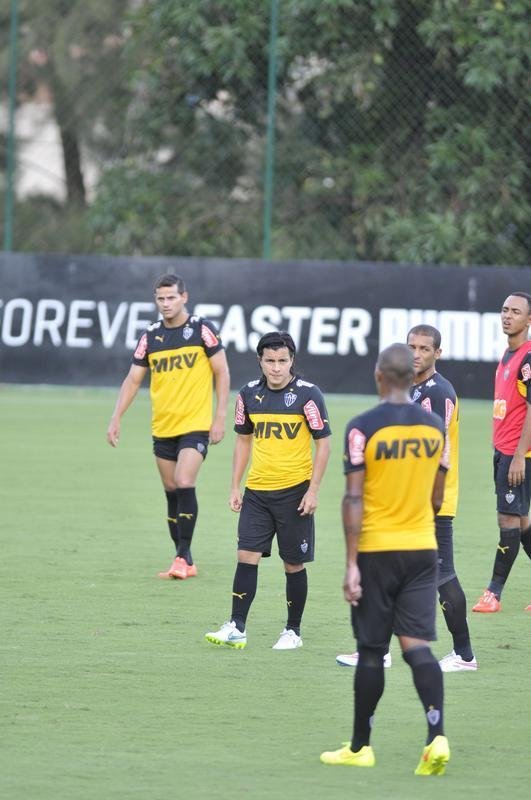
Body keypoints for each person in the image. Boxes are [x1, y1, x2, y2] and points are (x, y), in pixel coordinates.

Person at [321, 343, 450, 775]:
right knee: (418, 647)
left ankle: (361, 747)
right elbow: (436, 496)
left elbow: (353, 496)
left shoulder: (362, 427)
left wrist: (352, 563)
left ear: (378, 376)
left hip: (377, 550)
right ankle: (436, 737)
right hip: (422, 548)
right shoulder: (436, 429)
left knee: (372, 651)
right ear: (412, 378)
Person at [336, 325, 477, 672]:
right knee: (388, 570)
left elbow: (436, 447)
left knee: (444, 575)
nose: (417, 353)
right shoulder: (411, 390)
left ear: (437, 354)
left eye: (425, 348)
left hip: (431, 500)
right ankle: (379, 650)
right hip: (406, 499)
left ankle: (464, 654)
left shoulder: (439, 392)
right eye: (411, 346)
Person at [205, 331, 331, 650]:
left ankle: (293, 631)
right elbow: (243, 440)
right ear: (260, 361)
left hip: (295, 493)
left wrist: (313, 490)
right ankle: (237, 626)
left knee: (293, 564)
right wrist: (235, 485)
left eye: (282, 361)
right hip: (257, 493)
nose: (276, 368)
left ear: (292, 361)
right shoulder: (248, 395)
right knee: (246, 556)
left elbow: (324, 443)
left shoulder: (308, 395)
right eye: (270, 361)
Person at [106, 273, 230, 579]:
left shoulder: (201, 329)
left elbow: (222, 373)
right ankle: (185, 559)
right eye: (160, 298)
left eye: (171, 297)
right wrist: (116, 416)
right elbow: (134, 379)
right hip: (163, 427)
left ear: (184, 297)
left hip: (195, 425)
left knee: (184, 480)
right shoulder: (150, 336)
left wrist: (220, 416)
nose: (166, 303)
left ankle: (181, 556)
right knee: (172, 492)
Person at [472, 292, 531, 612]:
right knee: (521, 522)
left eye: (516, 312)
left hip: (519, 455)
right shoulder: (509, 354)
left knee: (508, 520)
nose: (507, 316)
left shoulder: (528, 357)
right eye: (505, 310)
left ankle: (493, 593)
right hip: (504, 451)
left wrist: (520, 454)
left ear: (529, 320)